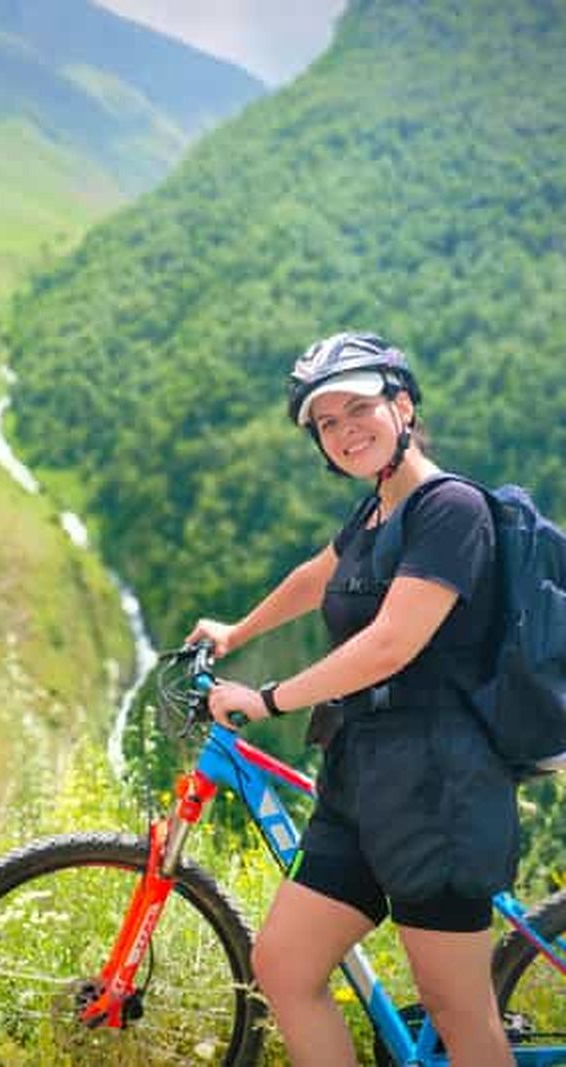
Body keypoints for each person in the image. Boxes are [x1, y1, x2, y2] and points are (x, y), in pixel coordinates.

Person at [186, 332, 518, 1067]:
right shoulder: (376, 513)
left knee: (459, 1012)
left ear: (401, 405)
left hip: (440, 786)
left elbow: (390, 645)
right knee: (285, 966)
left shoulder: (449, 509)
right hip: (362, 781)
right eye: (326, 422)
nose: (344, 431)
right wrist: (237, 630)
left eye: (358, 408)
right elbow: (318, 575)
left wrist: (268, 698)